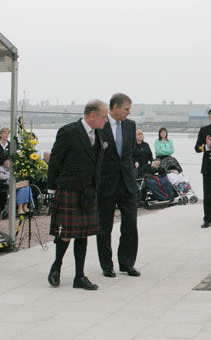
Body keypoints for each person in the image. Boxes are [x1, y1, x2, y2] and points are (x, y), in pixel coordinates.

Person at [46, 99, 108, 290]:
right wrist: (51, 188)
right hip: (70, 188)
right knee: (65, 233)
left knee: (83, 234)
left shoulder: (99, 134)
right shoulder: (69, 132)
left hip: (89, 190)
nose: (106, 121)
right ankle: (56, 267)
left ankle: (79, 277)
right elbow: (55, 160)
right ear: (92, 115)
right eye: (104, 117)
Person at [96, 93, 140, 278]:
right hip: (106, 183)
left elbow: (130, 153)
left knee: (130, 224)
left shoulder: (130, 125)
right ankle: (107, 265)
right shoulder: (101, 125)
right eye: (126, 109)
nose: (128, 113)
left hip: (127, 182)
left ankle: (127, 263)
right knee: (104, 226)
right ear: (114, 107)